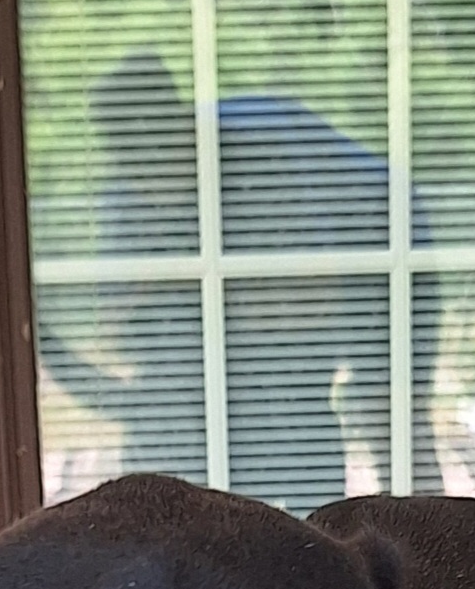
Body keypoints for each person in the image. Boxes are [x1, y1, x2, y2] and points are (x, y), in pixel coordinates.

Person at [38, 52, 438, 514]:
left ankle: (427, 555)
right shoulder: (124, 196)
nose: (149, 182)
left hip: (385, 232)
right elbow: (115, 328)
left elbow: (314, 298)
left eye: (158, 166)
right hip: (255, 313)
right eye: (137, 173)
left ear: (183, 131)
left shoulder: (263, 168)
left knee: (386, 410)